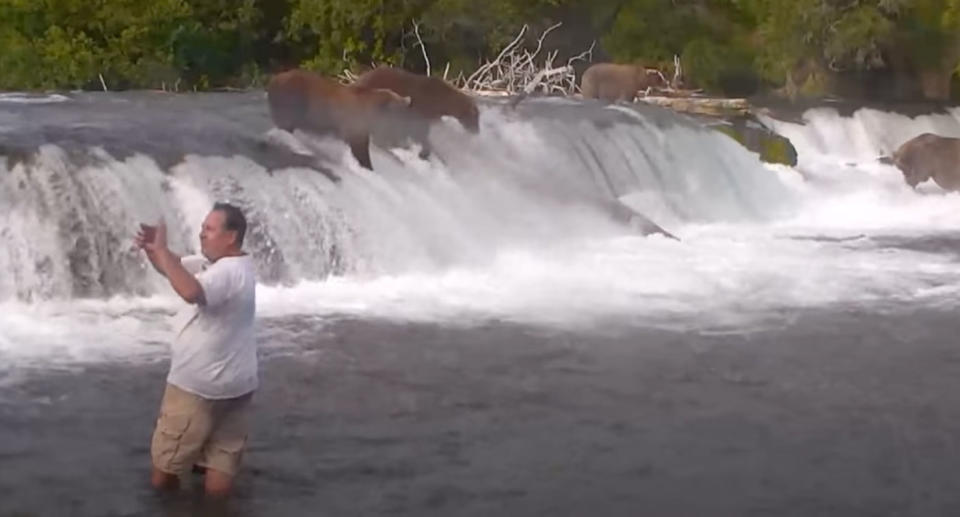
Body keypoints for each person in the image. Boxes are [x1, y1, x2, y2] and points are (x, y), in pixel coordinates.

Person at [134, 202, 257, 498]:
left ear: (231, 236)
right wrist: (155, 250)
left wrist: (162, 251)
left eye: (210, 229)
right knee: (219, 466)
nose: (202, 234)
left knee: (164, 473)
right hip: (236, 387)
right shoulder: (224, 265)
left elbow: (191, 292)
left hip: (199, 388)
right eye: (202, 228)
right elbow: (174, 269)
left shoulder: (226, 272)